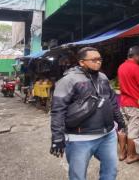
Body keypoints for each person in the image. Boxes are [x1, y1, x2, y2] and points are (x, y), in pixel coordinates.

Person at [50, 47, 125, 180]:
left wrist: (120, 122)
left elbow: (112, 101)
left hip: (107, 135)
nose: (98, 62)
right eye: (94, 60)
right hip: (80, 139)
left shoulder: (103, 77)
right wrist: (57, 137)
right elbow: (58, 110)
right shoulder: (69, 80)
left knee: (111, 171)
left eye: (99, 59)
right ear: (81, 62)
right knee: (78, 176)